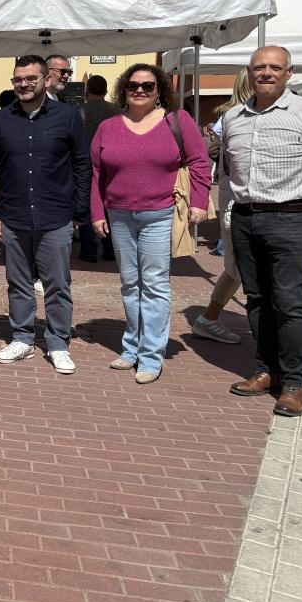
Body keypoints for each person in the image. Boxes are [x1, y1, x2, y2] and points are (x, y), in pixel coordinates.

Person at [222, 46, 302, 417]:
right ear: (249, 72)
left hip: (291, 218)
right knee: (257, 298)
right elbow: (229, 168)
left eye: (274, 67)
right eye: (259, 67)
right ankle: (267, 370)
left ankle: (294, 383)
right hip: (246, 217)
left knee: (289, 301)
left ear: (288, 73)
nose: (266, 73)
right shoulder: (233, 117)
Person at [90, 65, 211, 383]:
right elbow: (97, 174)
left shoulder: (177, 120)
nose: (140, 90)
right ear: (123, 89)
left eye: (148, 85)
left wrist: (199, 201)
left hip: (159, 214)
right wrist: (97, 212)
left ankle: (151, 356)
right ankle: (132, 347)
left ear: (160, 90)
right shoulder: (108, 127)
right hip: (118, 215)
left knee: (155, 285)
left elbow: (199, 161)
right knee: (130, 285)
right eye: (133, 85)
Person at [0, 55, 91, 375]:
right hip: (13, 217)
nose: (24, 85)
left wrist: (78, 211)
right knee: (18, 283)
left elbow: (82, 165)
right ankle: (22, 338)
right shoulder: (1, 120)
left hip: (56, 216)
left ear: (45, 80)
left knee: (57, 284)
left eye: (30, 79)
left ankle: (57, 343)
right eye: (18, 79)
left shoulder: (67, 117)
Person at [192, 69, 252, 343]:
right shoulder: (236, 117)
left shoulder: (228, 116)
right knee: (242, 267)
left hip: (236, 198)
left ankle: (209, 317)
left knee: (237, 268)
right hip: (242, 200)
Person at [77, 74, 118, 263]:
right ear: (106, 91)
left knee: (85, 206)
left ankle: (89, 250)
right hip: (110, 163)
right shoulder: (117, 111)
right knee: (110, 205)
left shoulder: (78, 111)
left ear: (87, 91)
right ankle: (109, 248)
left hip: (83, 162)